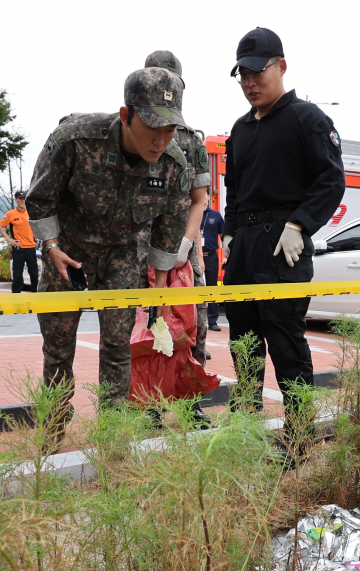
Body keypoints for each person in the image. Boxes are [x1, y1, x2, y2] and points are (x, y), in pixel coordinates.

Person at [26, 67, 192, 452]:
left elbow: (169, 228)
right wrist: (51, 248)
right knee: (58, 347)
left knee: (118, 347)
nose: (160, 140)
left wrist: (161, 292)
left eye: (169, 130)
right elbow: (40, 197)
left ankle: (113, 439)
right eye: (152, 127)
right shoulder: (75, 138)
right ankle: (50, 436)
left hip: (124, 254)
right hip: (67, 251)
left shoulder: (173, 164)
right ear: (125, 115)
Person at [221, 27, 345, 454]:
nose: (250, 82)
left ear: (281, 67)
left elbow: (331, 181)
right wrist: (230, 235)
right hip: (245, 248)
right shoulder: (239, 130)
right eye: (243, 75)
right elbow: (233, 193)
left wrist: (300, 225)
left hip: (282, 245)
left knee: (287, 345)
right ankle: (245, 432)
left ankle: (298, 440)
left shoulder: (307, 119)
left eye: (258, 72)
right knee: (244, 342)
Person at [143, 50, 213, 367]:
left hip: (183, 244)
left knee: (195, 316)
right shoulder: (131, 132)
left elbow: (200, 200)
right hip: (142, 245)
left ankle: (192, 398)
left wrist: (186, 243)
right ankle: (152, 405)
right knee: (149, 323)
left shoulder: (191, 141)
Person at [0, 190, 38, 293]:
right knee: (17, 275)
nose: (22, 201)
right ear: (16, 200)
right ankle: (16, 297)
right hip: (18, 248)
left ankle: (36, 296)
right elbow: (0, 226)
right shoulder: (10, 214)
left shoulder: (31, 212)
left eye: (24, 199)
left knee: (34, 274)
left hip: (31, 247)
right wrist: (8, 238)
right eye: (20, 199)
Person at [200, 205, 224, 331]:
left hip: (211, 256)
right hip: (194, 257)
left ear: (208, 197)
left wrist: (226, 255)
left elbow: (224, 234)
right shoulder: (192, 212)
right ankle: (193, 320)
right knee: (192, 287)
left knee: (212, 287)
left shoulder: (215, 215)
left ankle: (212, 321)